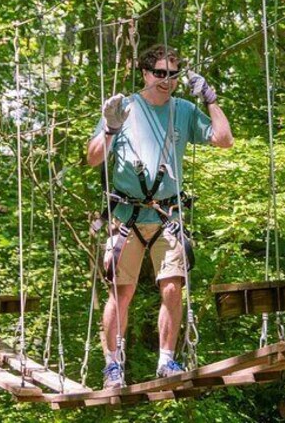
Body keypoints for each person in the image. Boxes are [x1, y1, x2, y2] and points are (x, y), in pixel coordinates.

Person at [87, 45, 233, 388]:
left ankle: (166, 361)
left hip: (167, 215)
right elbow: (93, 158)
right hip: (126, 215)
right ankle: (113, 365)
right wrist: (109, 128)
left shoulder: (182, 110)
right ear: (145, 73)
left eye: (172, 74)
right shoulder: (123, 108)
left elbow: (224, 140)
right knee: (121, 292)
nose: (166, 81)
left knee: (172, 288)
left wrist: (210, 99)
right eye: (160, 73)